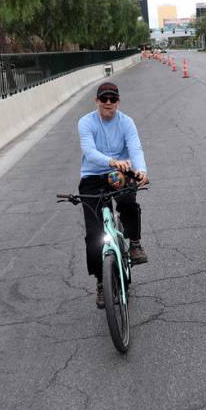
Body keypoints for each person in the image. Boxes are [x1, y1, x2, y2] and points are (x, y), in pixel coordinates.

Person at [78, 82, 149, 309]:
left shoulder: (126, 122)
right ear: (96, 101)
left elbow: (135, 148)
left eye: (112, 99)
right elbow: (89, 151)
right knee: (93, 236)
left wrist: (141, 171)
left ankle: (134, 242)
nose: (108, 103)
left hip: (121, 172)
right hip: (93, 176)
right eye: (104, 99)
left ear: (118, 101)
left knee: (128, 201)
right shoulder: (86, 122)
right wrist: (110, 161)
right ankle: (101, 282)